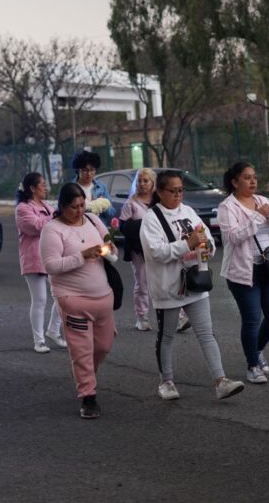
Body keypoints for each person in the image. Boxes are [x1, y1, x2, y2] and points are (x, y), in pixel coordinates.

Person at [140, 170, 245, 401]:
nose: (178, 195)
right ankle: (166, 381)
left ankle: (221, 381)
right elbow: (156, 252)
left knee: (206, 333)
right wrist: (186, 244)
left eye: (181, 190)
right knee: (166, 336)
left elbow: (205, 234)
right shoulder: (151, 219)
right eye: (173, 191)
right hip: (169, 286)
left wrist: (207, 246)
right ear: (160, 192)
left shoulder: (187, 211)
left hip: (195, 282)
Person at [39, 183, 118, 419]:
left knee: (103, 346)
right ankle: (88, 396)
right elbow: (50, 266)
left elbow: (113, 252)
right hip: (72, 299)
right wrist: (81, 256)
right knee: (82, 350)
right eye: (74, 207)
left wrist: (108, 250)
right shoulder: (53, 230)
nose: (79, 211)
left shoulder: (93, 221)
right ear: (62, 207)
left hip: (103, 296)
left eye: (82, 205)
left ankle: (85, 375)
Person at [218, 162, 269, 384]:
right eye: (247, 177)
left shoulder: (262, 200)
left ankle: (256, 349)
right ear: (235, 182)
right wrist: (258, 217)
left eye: (254, 177)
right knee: (252, 319)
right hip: (242, 270)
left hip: (268, 265)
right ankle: (252, 366)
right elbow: (233, 237)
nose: (253, 181)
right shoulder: (227, 207)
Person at [15, 173, 65, 354]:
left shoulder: (47, 206)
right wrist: (55, 217)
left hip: (51, 257)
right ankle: (39, 340)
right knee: (40, 300)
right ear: (32, 188)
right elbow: (35, 226)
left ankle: (53, 330)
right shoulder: (23, 209)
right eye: (42, 184)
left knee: (63, 295)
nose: (46, 187)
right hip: (34, 258)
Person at [119, 168, 156, 331]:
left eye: (146, 181)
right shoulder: (131, 203)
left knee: (167, 281)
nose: (142, 184)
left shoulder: (159, 201)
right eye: (139, 181)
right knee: (142, 283)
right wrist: (144, 226)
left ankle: (179, 316)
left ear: (153, 182)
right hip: (138, 250)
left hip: (159, 248)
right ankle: (142, 317)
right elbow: (123, 227)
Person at [71, 150, 116, 226]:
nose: (89, 173)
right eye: (85, 170)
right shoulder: (70, 188)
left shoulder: (101, 187)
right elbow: (62, 212)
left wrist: (102, 205)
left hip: (98, 228)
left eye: (92, 170)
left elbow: (111, 213)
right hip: (78, 228)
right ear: (78, 170)